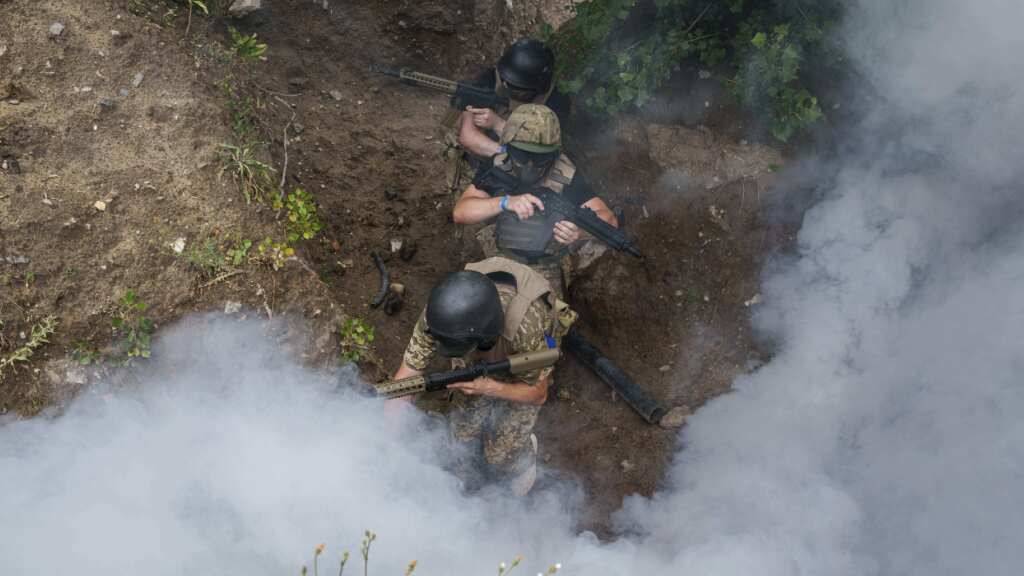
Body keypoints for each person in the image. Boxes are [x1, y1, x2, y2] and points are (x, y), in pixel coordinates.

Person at [388, 258, 576, 495]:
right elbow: (407, 377)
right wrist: (389, 442)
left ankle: (524, 460)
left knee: (501, 457)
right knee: (462, 436)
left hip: (522, 360)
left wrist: (490, 387)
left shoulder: (526, 327)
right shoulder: (439, 316)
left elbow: (538, 394)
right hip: (480, 346)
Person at [452, 103, 618, 298]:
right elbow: (460, 212)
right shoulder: (499, 165)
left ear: (554, 152)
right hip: (498, 253)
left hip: (546, 264)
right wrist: (505, 202)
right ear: (508, 145)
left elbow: (609, 219)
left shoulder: (566, 174)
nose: (530, 164)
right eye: (523, 155)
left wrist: (579, 231)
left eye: (539, 157)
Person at [444, 38, 571, 201]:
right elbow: (467, 137)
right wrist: (507, 156)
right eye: (505, 81)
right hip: (487, 161)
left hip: (528, 171)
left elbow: (543, 150)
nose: (506, 85)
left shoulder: (556, 102)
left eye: (516, 88)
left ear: (537, 87)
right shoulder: (490, 80)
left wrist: (499, 125)